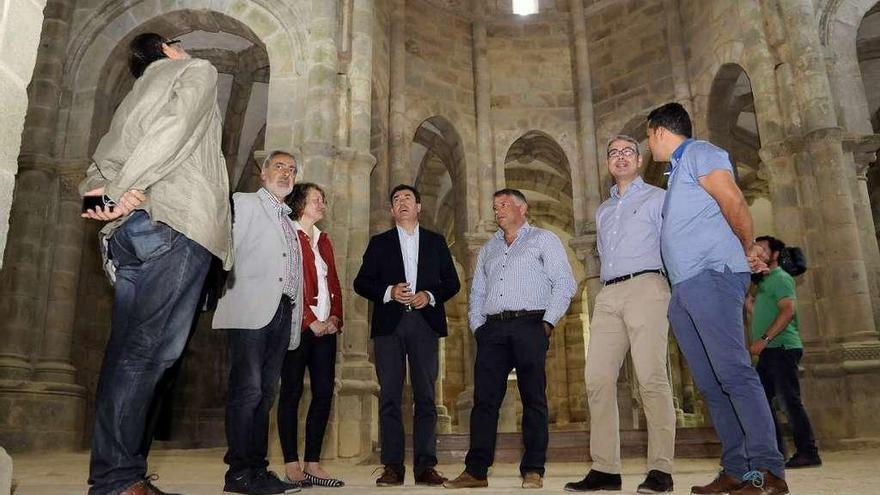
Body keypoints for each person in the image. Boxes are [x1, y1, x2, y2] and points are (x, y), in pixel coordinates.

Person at [79, 33, 232, 495]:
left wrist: (106, 200)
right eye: (179, 43)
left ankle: (116, 475)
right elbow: (178, 127)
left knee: (127, 356)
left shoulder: (130, 100)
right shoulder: (197, 70)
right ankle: (118, 482)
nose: (186, 48)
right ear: (168, 48)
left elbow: (97, 169)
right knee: (148, 358)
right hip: (174, 222)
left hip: (129, 236)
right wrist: (124, 189)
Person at [646, 102, 787, 495]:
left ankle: (768, 471)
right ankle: (736, 468)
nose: (648, 145)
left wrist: (748, 247)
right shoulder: (675, 174)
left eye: (647, 136)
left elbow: (733, 201)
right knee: (710, 384)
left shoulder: (699, 152)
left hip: (711, 278)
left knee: (736, 375)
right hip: (686, 289)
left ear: (659, 131)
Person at [444, 188, 576, 490]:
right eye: (494, 207)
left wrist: (547, 323)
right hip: (492, 330)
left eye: (504, 204)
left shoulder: (543, 240)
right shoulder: (489, 248)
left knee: (534, 399)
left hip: (531, 325)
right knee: (484, 401)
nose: (497, 210)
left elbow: (564, 284)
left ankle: (533, 469)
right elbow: (477, 291)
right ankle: (476, 471)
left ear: (522, 208)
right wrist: (478, 325)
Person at [565, 136, 676, 494]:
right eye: (613, 153)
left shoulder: (658, 199)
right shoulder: (604, 210)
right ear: (608, 163)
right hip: (609, 292)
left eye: (627, 152)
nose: (620, 157)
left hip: (647, 286)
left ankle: (661, 469)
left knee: (651, 379)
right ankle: (606, 469)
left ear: (640, 159)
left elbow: (672, 244)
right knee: (597, 379)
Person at [353, 184, 461, 487]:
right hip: (390, 326)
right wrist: (388, 291)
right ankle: (393, 466)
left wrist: (429, 294)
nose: (402, 202)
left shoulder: (436, 242)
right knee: (389, 395)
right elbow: (361, 283)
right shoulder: (379, 243)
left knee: (426, 396)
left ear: (418, 207)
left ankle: (426, 466)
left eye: (408, 198)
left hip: (425, 324)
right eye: (396, 199)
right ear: (391, 211)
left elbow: (452, 282)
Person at [212, 150, 303, 495]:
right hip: (251, 310)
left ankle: (257, 468)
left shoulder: (288, 220)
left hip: (281, 312)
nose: (285, 173)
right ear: (263, 173)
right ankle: (238, 472)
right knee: (247, 390)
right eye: (279, 167)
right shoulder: (245, 202)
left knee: (265, 393)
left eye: (291, 170)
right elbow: (226, 247)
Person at [278, 183, 345, 488]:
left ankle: (313, 463)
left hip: (325, 329)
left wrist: (335, 318)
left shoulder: (324, 240)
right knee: (291, 392)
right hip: (297, 327)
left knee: (323, 393)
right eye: (317, 200)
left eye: (324, 200)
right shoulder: (288, 234)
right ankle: (292, 463)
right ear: (301, 203)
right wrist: (308, 319)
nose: (323, 204)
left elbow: (333, 283)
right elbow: (286, 281)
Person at [747, 235, 821, 469]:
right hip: (771, 351)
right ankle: (775, 452)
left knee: (790, 401)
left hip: (782, 347)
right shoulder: (764, 282)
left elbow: (788, 311)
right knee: (760, 401)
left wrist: (764, 339)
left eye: (762, 249)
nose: (757, 252)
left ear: (775, 254)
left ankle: (808, 452)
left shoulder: (780, 278)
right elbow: (756, 311)